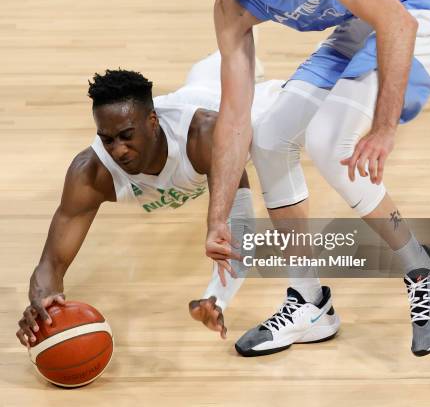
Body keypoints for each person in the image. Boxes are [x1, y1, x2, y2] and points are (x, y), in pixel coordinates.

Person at [162, 0, 430, 357]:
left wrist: (384, 127)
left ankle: (425, 269)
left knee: (330, 141)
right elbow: (234, 117)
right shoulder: (231, 8)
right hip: (362, 22)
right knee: (268, 138)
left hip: (421, 10)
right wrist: (218, 217)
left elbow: (397, 22)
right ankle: (309, 301)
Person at [16, 54, 338, 347]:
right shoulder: (91, 172)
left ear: (152, 122)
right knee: (205, 76)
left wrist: (215, 297)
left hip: (241, 112)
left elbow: (240, 233)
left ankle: (247, 66)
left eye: (127, 136)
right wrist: (42, 304)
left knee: (322, 124)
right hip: (196, 92)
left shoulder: (207, 137)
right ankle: (225, 62)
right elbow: (51, 264)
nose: (117, 150)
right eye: (107, 139)